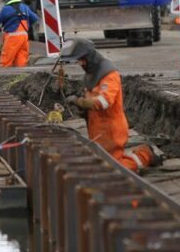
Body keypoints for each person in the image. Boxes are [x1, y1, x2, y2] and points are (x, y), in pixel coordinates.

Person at [59, 38, 159, 173]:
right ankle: (142, 154)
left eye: (81, 60)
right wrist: (82, 110)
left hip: (111, 130)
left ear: (89, 56)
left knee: (113, 169)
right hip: (98, 129)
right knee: (103, 163)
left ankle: (145, 155)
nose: (80, 63)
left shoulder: (109, 75)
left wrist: (79, 102)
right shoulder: (91, 75)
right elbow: (92, 101)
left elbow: (103, 102)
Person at [0, 0, 39, 67]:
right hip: (24, 37)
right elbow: (35, 18)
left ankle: (3, 77)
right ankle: (20, 76)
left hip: (12, 38)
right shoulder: (25, 7)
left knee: (5, 62)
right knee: (21, 61)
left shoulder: (6, 9)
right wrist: (27, 24)